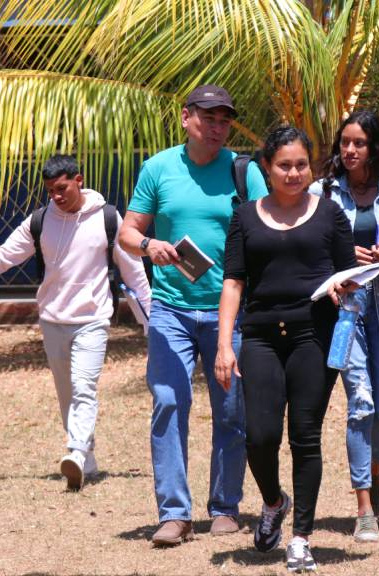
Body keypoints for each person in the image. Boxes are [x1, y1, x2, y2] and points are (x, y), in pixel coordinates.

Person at [118, 85, 268, 546]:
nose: (217, 126)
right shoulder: (158, 168)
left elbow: (267, 227)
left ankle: (225, 506)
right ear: (187, 118)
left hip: (231, 314)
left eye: (225, 119)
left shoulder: (246, 171)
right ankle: (174, 513)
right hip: (171, 310)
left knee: (231, 411)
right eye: (208, 117)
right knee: (168, 403)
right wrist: (149, 246)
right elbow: (127, 230)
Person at [0, 155, 152, 490]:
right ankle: (87, 458)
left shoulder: (108, 218)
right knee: (66, 392)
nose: (56, 196)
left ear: (78, 180)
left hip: (93, 318)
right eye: (50, 191)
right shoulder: (39, 220)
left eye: (62, 188)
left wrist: (152, 322)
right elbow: (7, 255)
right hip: (52, 319)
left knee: (83, 386)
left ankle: (76, 451)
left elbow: (133, 271)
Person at [215, 126, 357, 573]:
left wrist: (345, 288)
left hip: (312, 334)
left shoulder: (331, 213)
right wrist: (225, 344)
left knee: (305, 435)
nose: (294, 173)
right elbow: (234, 281)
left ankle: (301, 539)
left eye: (301, 165)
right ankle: (275, 502)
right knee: (259, 436)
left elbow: (347, 275)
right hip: (259, 335)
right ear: (266, 169)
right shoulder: (245, 216)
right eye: (284, 165)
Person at [308, 110, 379, 543]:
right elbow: (310, 248)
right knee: (361, 402)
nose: (349, 151)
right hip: (345, 308)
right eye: (344, 142)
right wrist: (342, 260)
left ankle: (375, 469)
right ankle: (364, 507)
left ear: (375, 146)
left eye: (358, 143)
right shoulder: (323, 191)